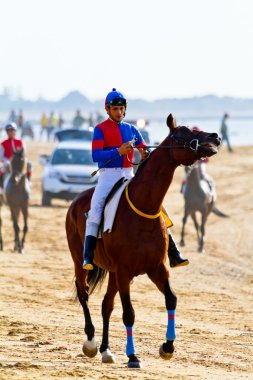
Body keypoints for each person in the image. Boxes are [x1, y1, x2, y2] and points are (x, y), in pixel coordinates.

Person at [82, 88, 188, 270]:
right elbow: (96, 155)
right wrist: (118, 151)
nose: (119, 112)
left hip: (128, 174)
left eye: (121, 108)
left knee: (155, 204)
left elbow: (145, 148)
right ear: (107, 109)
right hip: (108, 176)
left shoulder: (132, 129)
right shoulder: (100, 129)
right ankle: (88, 256)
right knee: (96, 208)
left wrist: (145, 152)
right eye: (115, 109)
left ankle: (174, 253)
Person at [0, 122, 32, 193]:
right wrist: (8, 160)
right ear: (7, 132)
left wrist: (22, 160)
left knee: (29, 164)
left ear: (16, 131)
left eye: (13, 130)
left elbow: (25, 154)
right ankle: (1, 186)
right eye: (9, 130)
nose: (11, 132)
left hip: (20, 162)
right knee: (3, 168)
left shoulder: (21, 142)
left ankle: (28, 181)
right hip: (8, 163)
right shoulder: (3, 144)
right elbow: (1, 156)